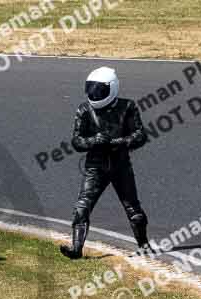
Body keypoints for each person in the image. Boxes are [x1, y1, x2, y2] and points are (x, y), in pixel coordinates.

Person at [60, 67, 151, 260]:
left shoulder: (128, 107)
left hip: (120, 165)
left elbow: (141, 135)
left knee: (133, 209)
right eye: (92, 89)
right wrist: (94, 140)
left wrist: (119, 142)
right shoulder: (84, 110)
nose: (94, 93)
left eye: (99, 89)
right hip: (95, 166)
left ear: (112, 88)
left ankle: (144, 245)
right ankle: (76, 249)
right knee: (82, 207)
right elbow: (76, 141)